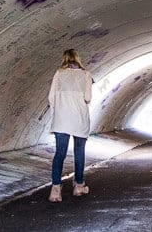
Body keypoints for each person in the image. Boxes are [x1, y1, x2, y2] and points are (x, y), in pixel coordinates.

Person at [47, 48, 92, 202]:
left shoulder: (59, 74)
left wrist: (56, 112)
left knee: (60, 153)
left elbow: (51, 97)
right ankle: (79, 186)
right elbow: (87, 98)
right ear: (77, 59)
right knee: (79, 152)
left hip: (62, 120)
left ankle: (55, 190)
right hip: (79, 118)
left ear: (64, 58)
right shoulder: (85, 74)